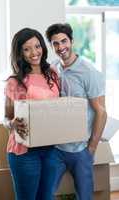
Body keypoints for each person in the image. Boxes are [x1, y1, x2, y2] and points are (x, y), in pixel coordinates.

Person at [40, 23, 107, 200]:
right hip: (57, 148)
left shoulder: (89, 72)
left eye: (64, 41)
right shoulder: (53, 68)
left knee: (84, 197)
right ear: (51, 46)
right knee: (44, 193)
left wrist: (91, 148)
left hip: (80, 149)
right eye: (56, 43)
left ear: (72, 41)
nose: (61, 47)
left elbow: (101, 112)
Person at [3, 27, 59, 200]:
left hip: (50, 149)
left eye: (37, 46)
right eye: (27, 49)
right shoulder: (15, 82)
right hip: (24, 152)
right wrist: (11, 124)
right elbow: (6, 117)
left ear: (42, 46)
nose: (34, 53)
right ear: (20, 53)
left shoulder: (52, 74)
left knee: (47, 197)